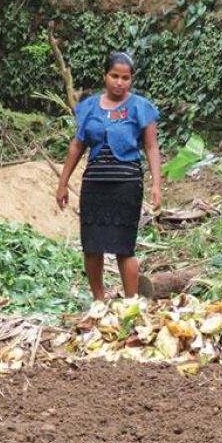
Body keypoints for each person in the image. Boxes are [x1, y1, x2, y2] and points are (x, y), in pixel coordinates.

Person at [56, 52, 162, 300]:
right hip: (94, 186)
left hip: (126, 186)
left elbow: (151, 147)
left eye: (125, 78)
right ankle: (99, 301)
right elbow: (77, 146)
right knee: (92, 246)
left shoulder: (141, 108)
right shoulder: (89, 107)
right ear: (104, 75)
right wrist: (62, 184)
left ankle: (130, 303)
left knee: (124, 247)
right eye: (114, 76)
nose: (119, 82)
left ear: (131, 79)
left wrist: (156, 184)